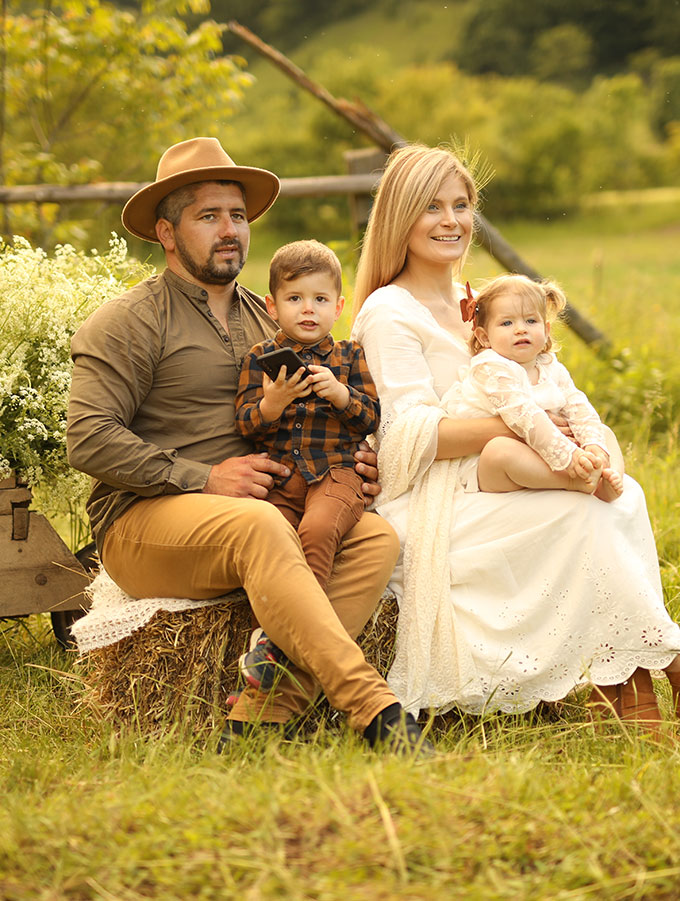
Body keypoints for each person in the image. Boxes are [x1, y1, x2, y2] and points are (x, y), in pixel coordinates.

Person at [350, 142, 680, 743]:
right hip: (438, 491)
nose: (452, 221)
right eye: (432, 207)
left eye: (462, 204)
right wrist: (518, 427)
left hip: (513, 467)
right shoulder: (389, 310)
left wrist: (583, 440)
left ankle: (635, 698)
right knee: (579, 515)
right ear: (401, 216)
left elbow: (551, 386)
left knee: (620, 495)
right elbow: (406, 436)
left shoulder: (480, 302)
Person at [66, 137, 430, 755]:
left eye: (237, 215)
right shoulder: (127, 321)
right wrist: (201, 478)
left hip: (274, 501)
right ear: (167, 231)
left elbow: (326, 407)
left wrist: (355, 458)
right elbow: (88, 438)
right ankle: (375, 710)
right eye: (208, 216)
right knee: (256, 525)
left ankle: (261, 716)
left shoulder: (273, 318)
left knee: (377, 539)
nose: (229, 229)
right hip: (147, 520)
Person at [233, 239, 379, 692]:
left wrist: (340, 394)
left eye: (319, 300)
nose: (308, 309)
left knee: (317, 532)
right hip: (281, 479)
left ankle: (277, 645)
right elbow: (245, 424)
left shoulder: (350, 357)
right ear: (271, 305)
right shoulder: (259, 359)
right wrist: (273, 404)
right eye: (295, 299)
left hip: (337, 474)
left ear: (338, 305)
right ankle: (285, 640)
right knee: (272, 543)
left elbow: (372, 416)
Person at [440, 273, 624, 503]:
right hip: (489, 462)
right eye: (507, 323)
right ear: (484, 337)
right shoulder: (490, 368)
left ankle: (607, 474)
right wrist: (570, 457)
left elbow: (577, 405)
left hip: (546, 447)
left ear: (546, 330)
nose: (520, 329)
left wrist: (593, 447)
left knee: (603, 432)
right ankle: (569, 481)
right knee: (500, 451)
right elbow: (525, 416)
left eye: (530, 321)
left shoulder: (548, 365)